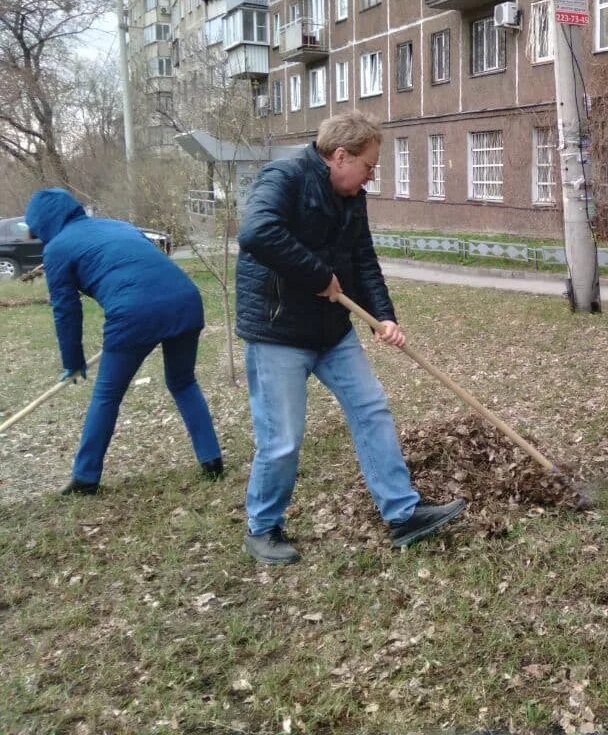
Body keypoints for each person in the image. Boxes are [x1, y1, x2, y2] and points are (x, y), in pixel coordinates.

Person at [235, 111, 465, 565]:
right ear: (340, 156)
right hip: (278, 330)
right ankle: (262, 526)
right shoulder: (285, 177)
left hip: (331, 331)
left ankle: (403, 514)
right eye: (368, 166)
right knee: (282, 438)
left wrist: (383, 316)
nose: (371, 177)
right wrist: (318, 274)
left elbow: (362, 259)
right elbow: (257, 233)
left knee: (371, 409)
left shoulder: (351, 195)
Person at [24, 188, 223, 495]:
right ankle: (212, 461)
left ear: (44, 223)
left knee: (107, 394)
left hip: (133, 314)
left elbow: (65, 310)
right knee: (183, 382)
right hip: (186, 300)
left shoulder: (57, 248)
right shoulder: (118, 225)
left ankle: (86, 478)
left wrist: (72, 361)